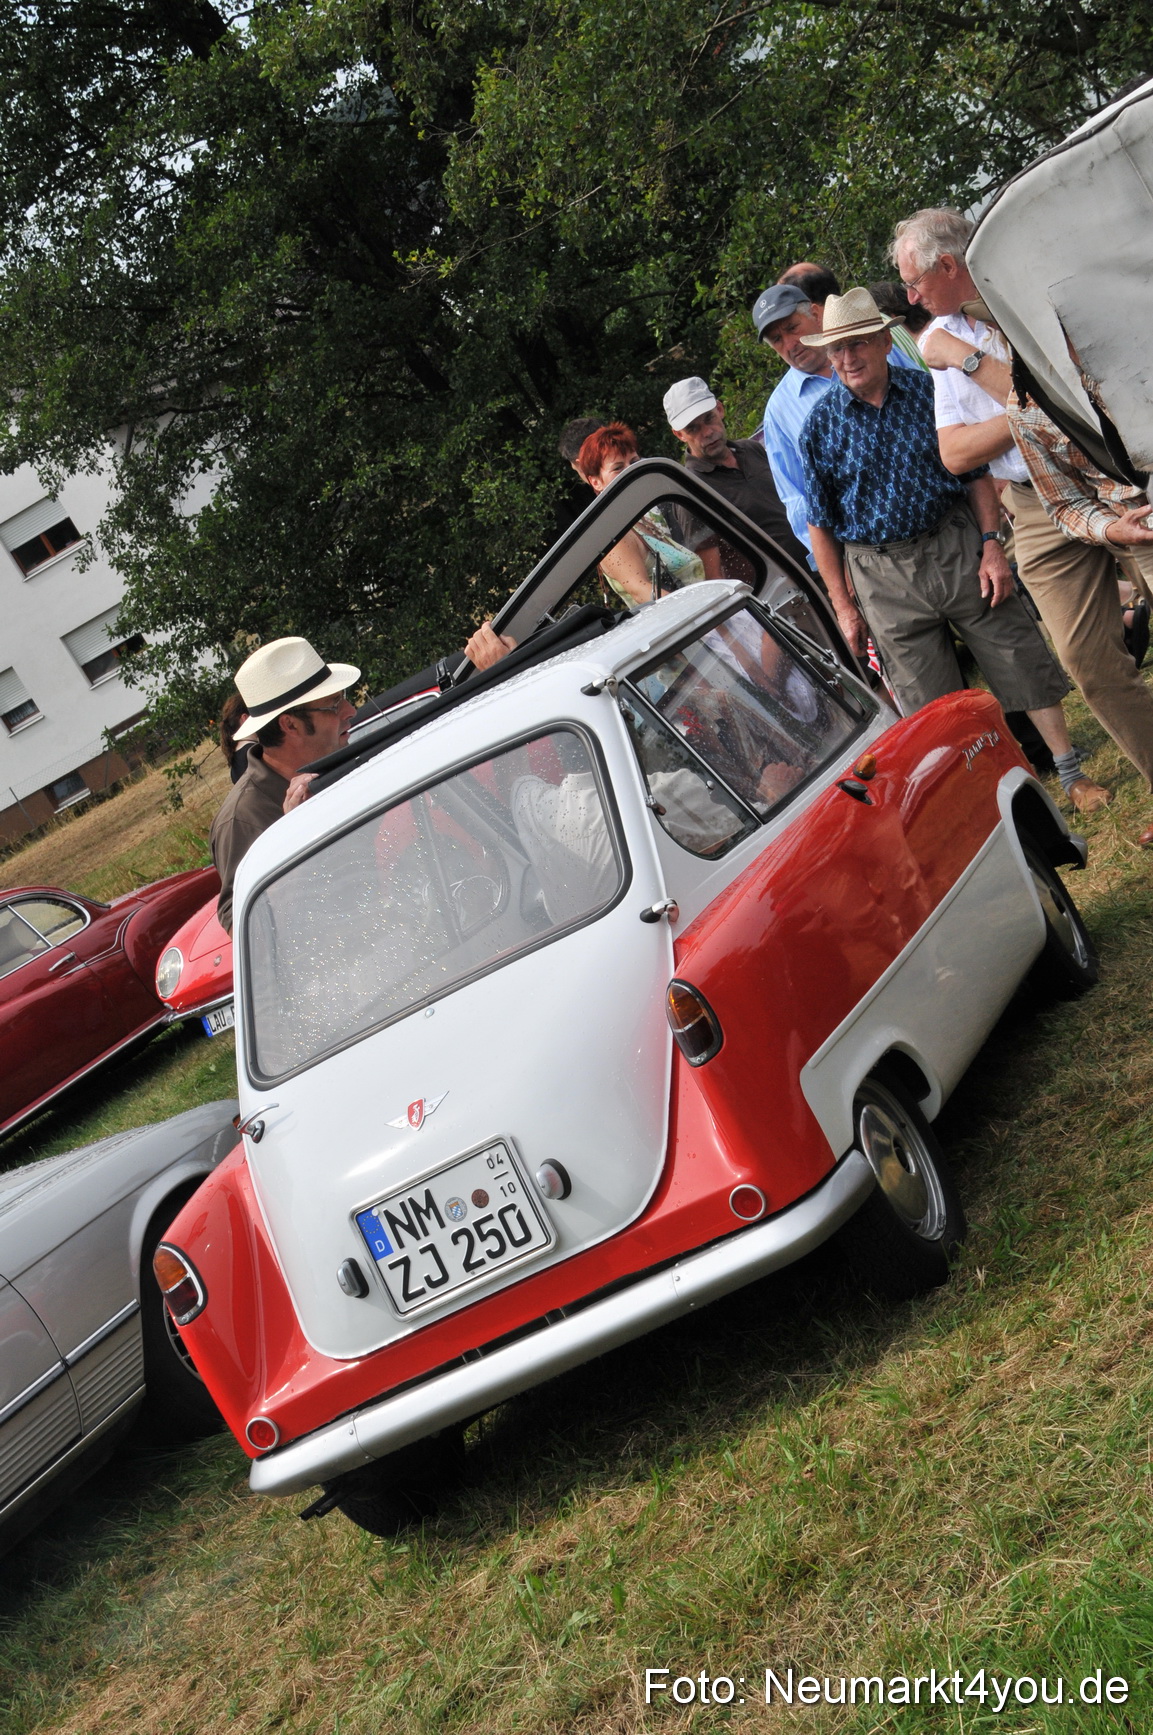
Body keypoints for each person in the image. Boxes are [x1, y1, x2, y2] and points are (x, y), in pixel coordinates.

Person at [891, 207, 1116, 811]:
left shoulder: (1010, 308)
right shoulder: (938, 339)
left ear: (947, 265)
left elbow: (1053, 403)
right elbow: (956, 454)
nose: (912, 297)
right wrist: (1022, 417)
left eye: (915, 282)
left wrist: (968, 363)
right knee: (1087, 665)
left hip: (1105, 477)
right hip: (1030, 505)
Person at [797, 289, 1079, 768]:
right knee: (930, 703)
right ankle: (982, 790)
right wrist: (844, 607)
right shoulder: (819, 427)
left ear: (885, 342)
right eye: (837, 349)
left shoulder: (930, 391)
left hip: (954, 544)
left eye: (859, 343)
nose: (848, 358)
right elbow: (820, 525)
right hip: (881, 575)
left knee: (1013, 651)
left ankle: (1070, 767)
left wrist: (992, 545)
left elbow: (975, 475)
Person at [1006, 378, 1153, 846]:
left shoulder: (1114, 345)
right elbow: (1063, 501)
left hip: (1143, 488)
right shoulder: (1020, 399)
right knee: (1086, 660)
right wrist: (1110, 529)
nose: (914, 297)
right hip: (1050, 503)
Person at [755, 281, 921, 561]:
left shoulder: (877, 348)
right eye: (777, 340)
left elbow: (934, 410)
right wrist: (836, 566)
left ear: (816, 314)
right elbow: (798, 500)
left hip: (943, 521)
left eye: (792, 328)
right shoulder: (779, 412)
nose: (789, 344)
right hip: (870, 558)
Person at [211, 637, 359, 931]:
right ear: (289, 725)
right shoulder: (242, 817)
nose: (351, 710)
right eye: (333, 705)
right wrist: (292, 840)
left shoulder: (342, 762)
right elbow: (241, 923)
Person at [662, 376, 808, 568]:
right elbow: (713, 574)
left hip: (821, 562)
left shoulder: (751, 449)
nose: (707, 432)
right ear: (679, 434)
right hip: (786, 591)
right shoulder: (691, 492)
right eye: (693, 428)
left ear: (720, 409)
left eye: (709, 418)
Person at [576, 422, 706, 607]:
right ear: (596, 482)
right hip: (689, 625)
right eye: (618, 468)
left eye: (634, 462)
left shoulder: (644, 518)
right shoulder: (613, 535)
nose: (631, 470)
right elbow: (641, 592)